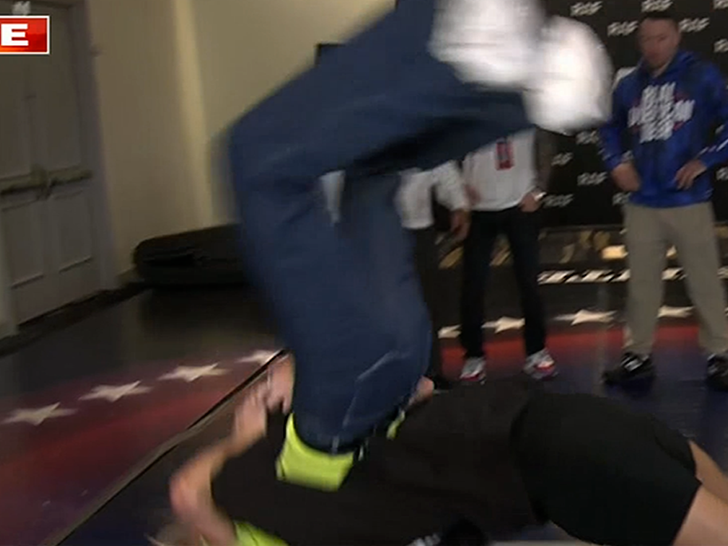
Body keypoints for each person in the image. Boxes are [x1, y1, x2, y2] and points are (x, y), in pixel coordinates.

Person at [226, 0, 611, 495]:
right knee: (258, 159)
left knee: (373, 171)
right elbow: (192, 495)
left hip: (395, 371)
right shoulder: (280, 511)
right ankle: (474, 63)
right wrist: (244, 444)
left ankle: (519, 97)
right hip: (343, 400)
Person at [168, 357, 728, 546]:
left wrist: (251, 438)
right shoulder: (281, 492)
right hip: (568, 444)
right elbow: (189, 494)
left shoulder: (287, 474)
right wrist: (249, 438)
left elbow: (189, 493)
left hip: (567, 447)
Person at [599, 9, 728, 391]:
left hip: (689, 200)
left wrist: (706, 159)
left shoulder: (701, 75)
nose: (653, 46)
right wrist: (616, 162)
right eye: (646, 39)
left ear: (677, 37)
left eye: (661, 38)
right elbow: (609, 127)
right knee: (641, 286)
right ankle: (637, 356)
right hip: (642, 202)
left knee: (705, 282)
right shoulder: (629, 83)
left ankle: (720, 355)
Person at [457, 128, 556, 383]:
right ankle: (473, 355)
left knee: (529, 283)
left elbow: (545, 143)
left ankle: (536, 351)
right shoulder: (467, 108)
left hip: (520, 206)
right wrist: (458, 191)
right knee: (473, 286)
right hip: (478, 209)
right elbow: (448, 147)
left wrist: (539, 191)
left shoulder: (525, 107)